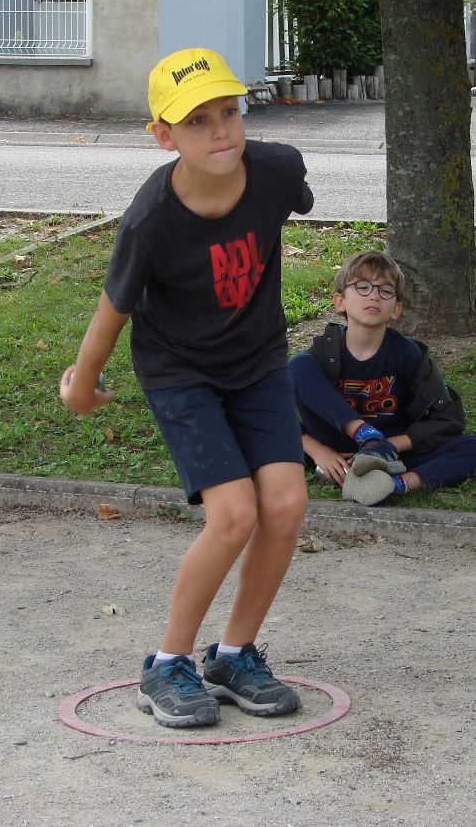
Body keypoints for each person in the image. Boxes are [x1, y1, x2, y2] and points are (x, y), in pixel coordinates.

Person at [59, 48, 314, 728]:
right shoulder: (152, 218)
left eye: (229, 112)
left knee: (285, 504)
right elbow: (113, 308)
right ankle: (167, 665)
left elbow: (283, 208)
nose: (221, 131)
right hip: (181, 372)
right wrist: (82, 384)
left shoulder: (279, 171)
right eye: (197, 121)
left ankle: (232, 656)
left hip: (256, 359)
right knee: (233, 514)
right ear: (164, 135)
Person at [289, 250, 476, 506]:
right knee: (296, 367)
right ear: (340, 301)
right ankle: (363, 439)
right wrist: (317, 451)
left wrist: (387, 446)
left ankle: (397, 484)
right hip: (334, 450)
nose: (374, 294)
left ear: (396, 309)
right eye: (362, 287)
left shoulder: (409, 354)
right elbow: (272, 412)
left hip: (390, 455)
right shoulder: (323, 353)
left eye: (385, 290)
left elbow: (449, 419)